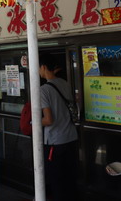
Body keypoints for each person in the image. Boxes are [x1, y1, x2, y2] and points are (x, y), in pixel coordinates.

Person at [39, 55, 78, 201]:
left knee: (56, 180)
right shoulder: (65, 84)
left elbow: (48, 119)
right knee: (70, 179)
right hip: (71, 137)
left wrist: (33, 122)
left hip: (55, 142)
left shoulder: (43, 90)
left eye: (38, 68)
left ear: (43, 67)